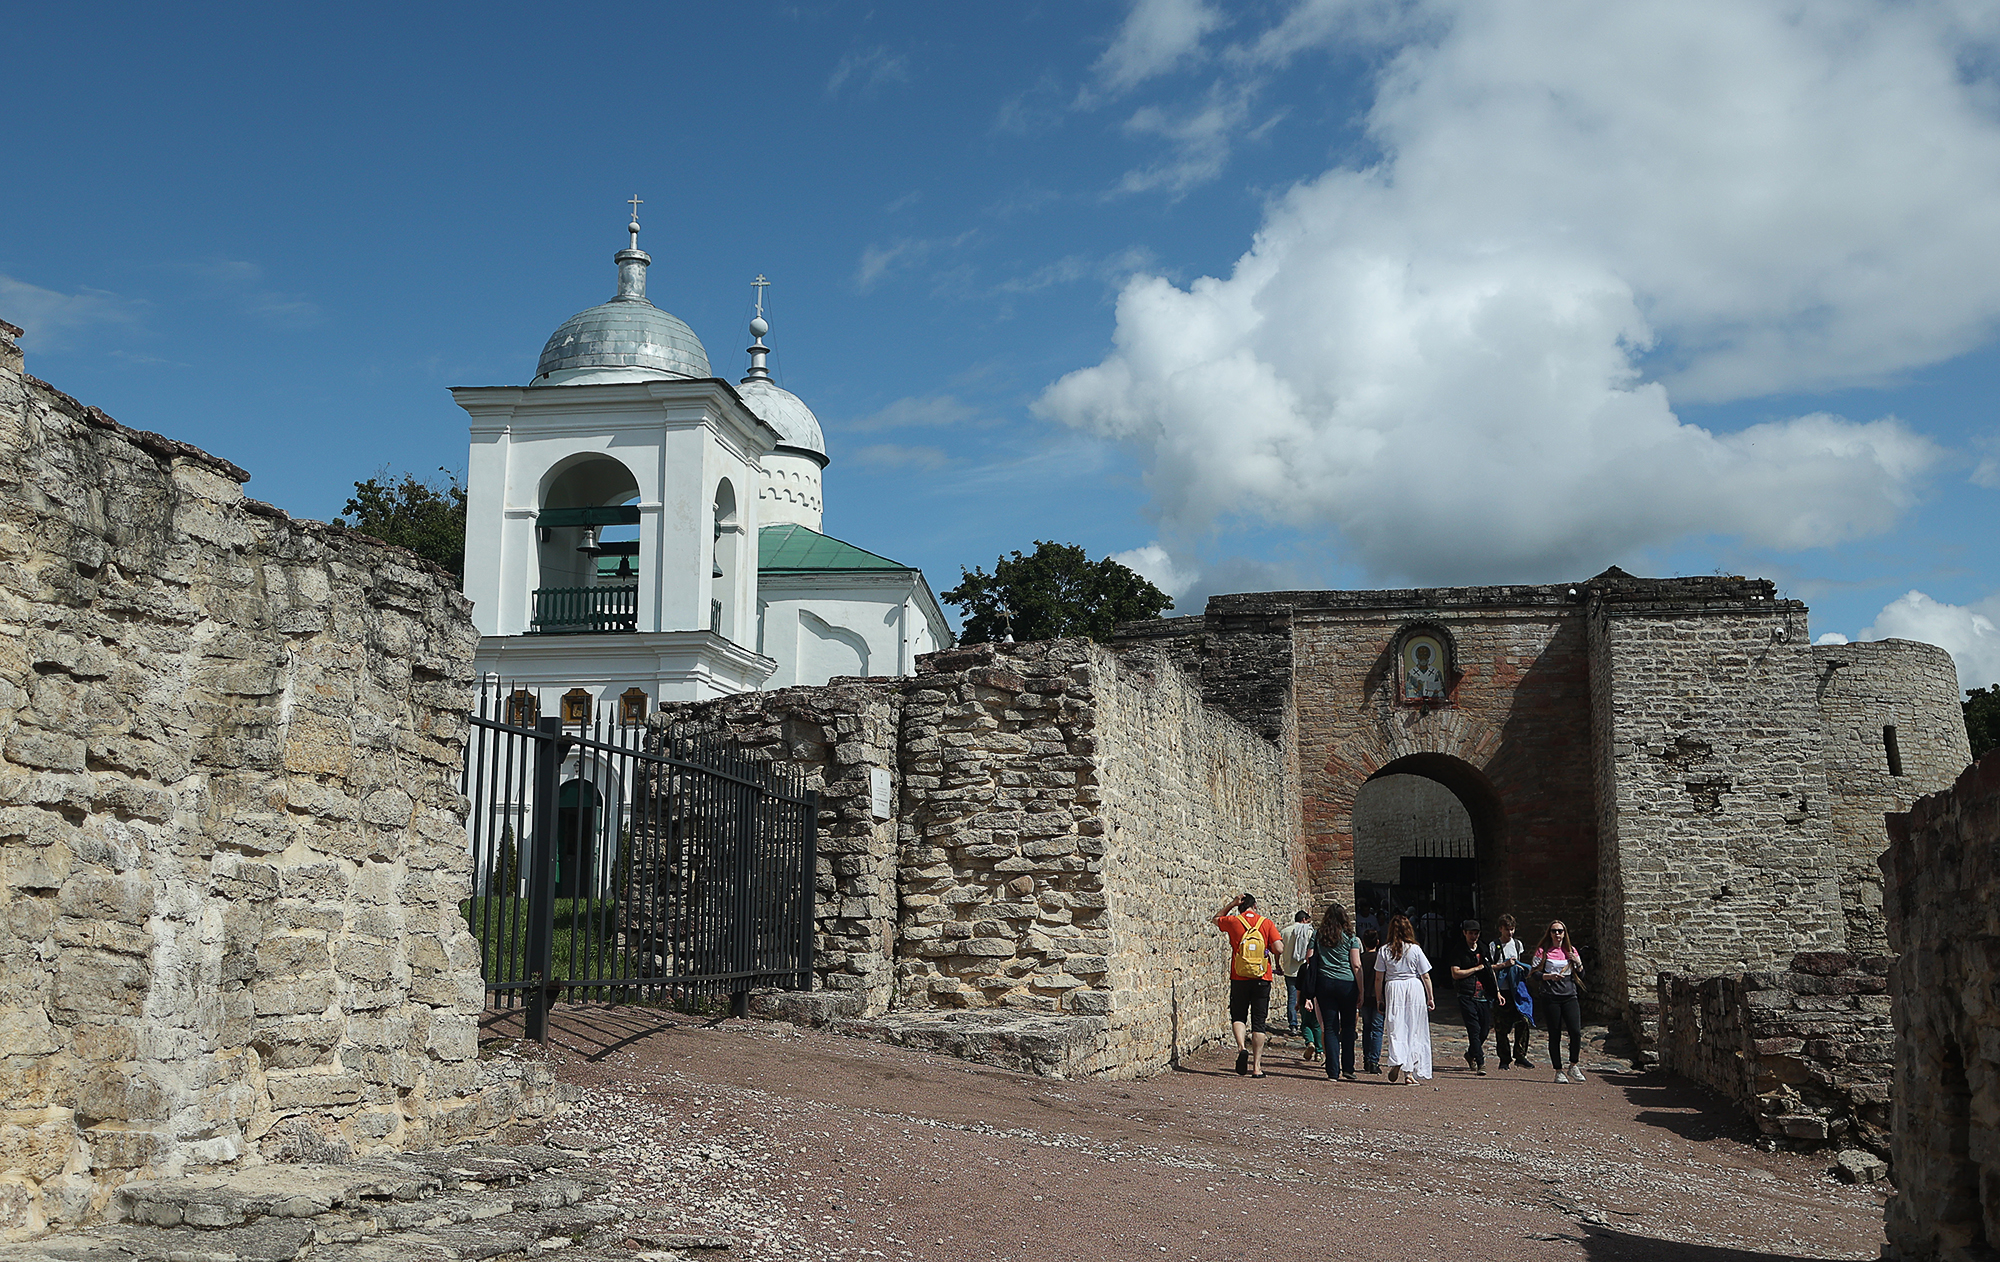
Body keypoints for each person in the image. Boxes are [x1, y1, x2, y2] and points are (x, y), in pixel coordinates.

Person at [1214, 893, 1282, 1078]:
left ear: (1240, 907)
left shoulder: (1234, 921)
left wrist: (1231, 903)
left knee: (1239, 1016)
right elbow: (1279, 948)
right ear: (1255, 905)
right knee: (1258, 1023)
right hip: (1262, 977)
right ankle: (1257, 1067)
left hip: (1239, 976)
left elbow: (1216, 919)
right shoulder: (1265, 923)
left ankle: (1242, 1047)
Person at [1303, 903, 1363, 1082]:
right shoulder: (1350, 937)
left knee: (1330, 1027)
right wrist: (1361, 989)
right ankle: (1349, 1067)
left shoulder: (1318, 934)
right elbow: (1356, 964)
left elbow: (1309, 957)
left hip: (1325, 982)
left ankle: (1332, 1070)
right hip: (1347, 983)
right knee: (1348, 1026)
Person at [1375, 913, 1435, 1083]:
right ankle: (1409, 1072)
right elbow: (1425, 976)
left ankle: (1397, 1059)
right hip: (1413, 987)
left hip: (1394, 987)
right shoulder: (1415, 949)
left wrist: (1379, 999)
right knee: (1414, 1028)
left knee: (1396, 1027)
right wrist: (1430, 997)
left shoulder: (1384, 950)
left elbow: (1379, 978)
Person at [1532, 920, 1587, 1084]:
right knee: (1555, 1033)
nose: (1557, 934)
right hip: (1551, 997)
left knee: (1575, 1031)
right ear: (1549, 933)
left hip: (1569, 995)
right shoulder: (1543, 951)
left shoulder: (1571, 951)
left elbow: (1582, 975)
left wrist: (1578, 963)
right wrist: (1549, 976)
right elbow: (1534, 974)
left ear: (1565, 933)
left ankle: (1573, 1064)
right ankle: (1558, 1070)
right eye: (1554, 931)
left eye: (1560, 931)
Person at [1447, 918, 1495, 1075]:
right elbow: (1455, 973)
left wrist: (1497, 991)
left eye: (1476, 933)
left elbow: (1489, 970)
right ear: (1464, 933)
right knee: (1473, 1030)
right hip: (1466, 994)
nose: (1474, 936)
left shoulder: (1483, 948)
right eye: (1471, 933)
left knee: (1484, 1030)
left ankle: (1471, 1053)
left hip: (1483, 994)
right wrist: (1475, 969)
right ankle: (1480, 1062)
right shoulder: (1458, 950)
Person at [1489, 914, 1535, 1070]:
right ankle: (1504, 1059)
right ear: (1500, 929)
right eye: (1507, 929)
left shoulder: (1517, 944)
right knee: (1501, 1027)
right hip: (1501, 990)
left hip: (1517, 990)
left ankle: (1520, 1055)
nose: (1510, 933)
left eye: (1512, 929)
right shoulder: (1494, 946)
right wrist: (1505, 965)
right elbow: (1490, 968)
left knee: (1523, 1021)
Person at [1279, 910, 1315, 1034]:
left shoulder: (1285, 932)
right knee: (1308, 996)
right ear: (1304, 920)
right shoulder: (1309, 932)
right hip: (1304, 969)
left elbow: (1278, 949)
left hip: (1290, 969)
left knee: (1292, 997)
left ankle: (1293, 1024)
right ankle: (1308, 1024)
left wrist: (1278, 963)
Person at [1358, 928, 1384, 1074]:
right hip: (1377, 996)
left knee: (1367, 1028)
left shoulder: (1361, 958)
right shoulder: (1380, 958)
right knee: (1377, 1029)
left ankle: (1367, 1059)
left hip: (1365, 996)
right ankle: (1374, 1061)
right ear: (1378, 942)